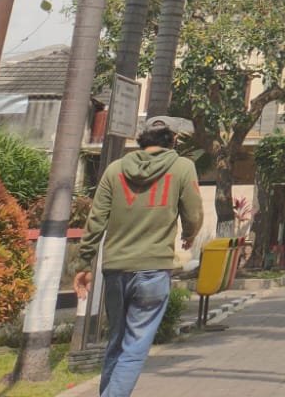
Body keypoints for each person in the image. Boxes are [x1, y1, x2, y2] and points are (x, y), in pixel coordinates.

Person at [74, 115, 203, 397]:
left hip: (115, 269)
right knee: (133, 348)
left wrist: (83, 263)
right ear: (174, 141)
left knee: (117, 343)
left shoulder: (114, 170)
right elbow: (193, 214)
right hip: (153, 270)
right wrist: (190, 234)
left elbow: (96, 221)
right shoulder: (183, 167)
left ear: (140, 140)